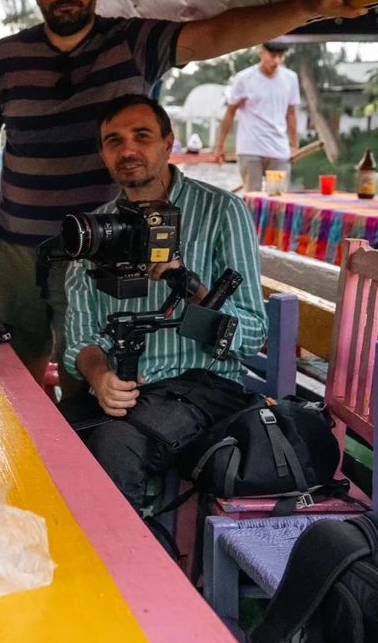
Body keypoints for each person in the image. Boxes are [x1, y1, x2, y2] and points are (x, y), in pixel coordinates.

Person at [0, 0, 367, 391]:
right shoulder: (4, 58)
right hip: (16, 248)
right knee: (12, 381)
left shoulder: (132, 42)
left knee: (87, 383)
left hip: (104, 248)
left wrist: (312, 4)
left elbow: (214, 34)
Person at [60, 95, 268, 515]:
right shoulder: (95, 231)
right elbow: (79, 336)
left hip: (206, 384)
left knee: (115, 446)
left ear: (168, 143)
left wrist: (187, 284)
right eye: (114, 141)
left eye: (142, 136)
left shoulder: (222, 211)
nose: (128, 150)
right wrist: (100, 378)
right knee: (48, 438)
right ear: (103, 154)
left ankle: (129, 573)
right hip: (129, 387)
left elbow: (253, 332)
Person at [213, 42, 300, 190]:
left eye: (280, 56)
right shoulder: (244, 78)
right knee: (253, 200)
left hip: (278, 149)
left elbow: (291, 114)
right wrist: (220, 146)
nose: (276, 61)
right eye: (272, 56)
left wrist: (294, 145)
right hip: (250, 149)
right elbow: (230, 113)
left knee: (277, 200)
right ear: (261, 53)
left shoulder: (290, 78)